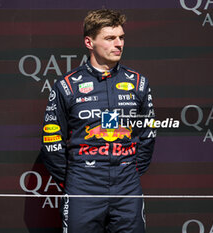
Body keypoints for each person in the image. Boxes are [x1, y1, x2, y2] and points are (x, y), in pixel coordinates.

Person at [40, 9, 156, 233]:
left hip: (126, 188)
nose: (119, 44)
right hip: (83, 187)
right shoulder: (67, 85)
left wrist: (127, 171)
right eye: (110, 38)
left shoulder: (139, 83)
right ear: (89, 42)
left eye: (121, 37)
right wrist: (76, 180)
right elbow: (51, 143)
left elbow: (148, 135)